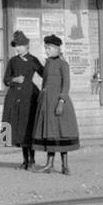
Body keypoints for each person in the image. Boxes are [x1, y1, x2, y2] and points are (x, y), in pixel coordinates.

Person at [32, 34, 79, 174]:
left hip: (59, 104)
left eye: (49, 48)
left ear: (57, 48)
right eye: (46, 48)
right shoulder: (48, 63)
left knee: (61, 133)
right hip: (46, 103)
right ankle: (49, 164)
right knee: (50, 134)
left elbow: (66, 84)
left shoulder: (63, 64)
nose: (46, 51)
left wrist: (61, 101)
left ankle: (65, 166)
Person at [2, 30, 43, 169]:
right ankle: (25, 160)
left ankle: (32, 160)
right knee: (18, 130)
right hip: (14, 98)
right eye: (16, 46)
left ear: (26, 46)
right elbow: (5, 79)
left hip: (29, 97)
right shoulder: (12, 61)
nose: (17, 48)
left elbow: (44, 74)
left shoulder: (33, 60)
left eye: (20, 45)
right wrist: (15, 79)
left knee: (28, 128)